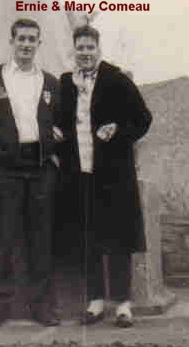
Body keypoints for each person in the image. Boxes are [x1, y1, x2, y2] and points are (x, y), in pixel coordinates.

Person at [57, 24, 152, 328]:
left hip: (113, 175)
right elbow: (62, 121)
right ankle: (95, 302)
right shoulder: (66, 82)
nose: (85, 53)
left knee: (119, 239)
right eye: (80, 48)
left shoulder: (116, 79)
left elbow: (143, 119)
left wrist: (119, 130)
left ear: (98, 49)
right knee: (89, 240)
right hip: (80, 173)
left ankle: (123, 305)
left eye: (90, 47)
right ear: (74, 51)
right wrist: (58, 133)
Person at [0, 18, 61, 328]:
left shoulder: (51, 83)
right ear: (11, 41)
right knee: (3, 240)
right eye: (21, 38)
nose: (26, 44)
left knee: (41, 241)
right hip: (5, 170)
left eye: (32, 39)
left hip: (41, 170)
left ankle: (42, 307)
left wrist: (54, 151)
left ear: (39, 44)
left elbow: (62, 122)